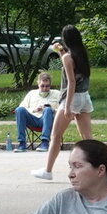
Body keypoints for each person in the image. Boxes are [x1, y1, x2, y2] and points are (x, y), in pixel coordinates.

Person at [34, 24, 95, 181]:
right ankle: (97, 168)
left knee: (55, 135)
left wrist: (67, 107)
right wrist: (60, 51)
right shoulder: (81, 55)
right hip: (84, 97)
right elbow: (71, 64)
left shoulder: (68, 57)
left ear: (66, 39)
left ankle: (47, 170)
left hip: (72, 98)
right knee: (87, 137)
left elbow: (71, 82)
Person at [11, 71, 59, 152]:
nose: (44, 89)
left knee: (47, 109)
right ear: (38, 84)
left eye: (47, 86)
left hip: (49, 120)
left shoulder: (57, 94)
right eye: (42, 86)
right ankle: (22, 143)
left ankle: (45, 142)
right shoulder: (32, 94)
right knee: (19, 110)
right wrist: (34, 109)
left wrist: (52, 109)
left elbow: (63, 109)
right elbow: (22, 107)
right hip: (33, 119)